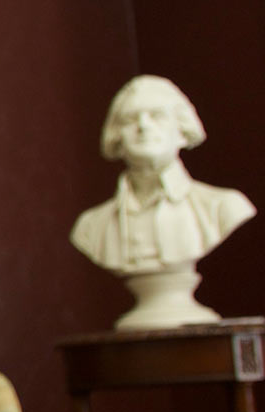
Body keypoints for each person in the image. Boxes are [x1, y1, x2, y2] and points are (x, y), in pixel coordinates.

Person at [69, 74, 255, 275]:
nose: (143, 126)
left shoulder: (223, 208)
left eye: (157, 115)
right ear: (117, 138)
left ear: (182, 131)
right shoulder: (90, 228)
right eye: (129, 119)